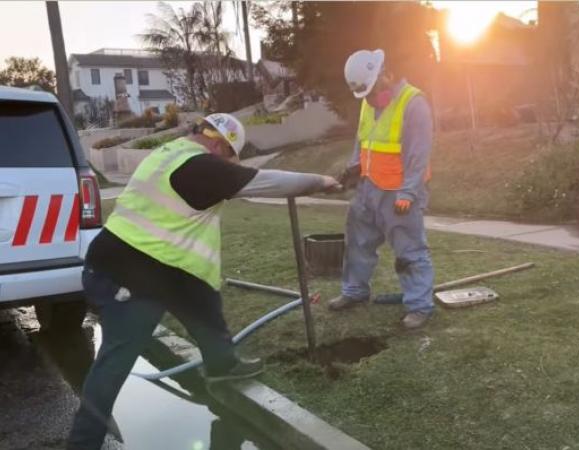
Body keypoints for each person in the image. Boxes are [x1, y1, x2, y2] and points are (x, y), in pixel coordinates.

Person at [67, 113, 340, 450]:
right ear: (218, 144)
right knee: (116, 360)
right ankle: (82, 443)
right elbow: (269, 181)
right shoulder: (201, 167)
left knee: (203, 305)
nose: (228, 165)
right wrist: (322, 180)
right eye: (229, 156)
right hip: (126, 274)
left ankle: (223, 365)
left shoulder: (170, 153)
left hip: (158, 266)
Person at [330, 49, 435, 330]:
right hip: (368, 188)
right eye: (366, 94)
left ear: (386, 74)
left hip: (398, 192)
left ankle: (419, 306)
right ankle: (354, 291)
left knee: (408, 251)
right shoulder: (367, 102)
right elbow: (363, 141)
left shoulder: (414, 103)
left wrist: (408, 193)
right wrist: (353, 169)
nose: (372, 99)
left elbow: (418, 155)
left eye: (374, 91)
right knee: (357, 243)